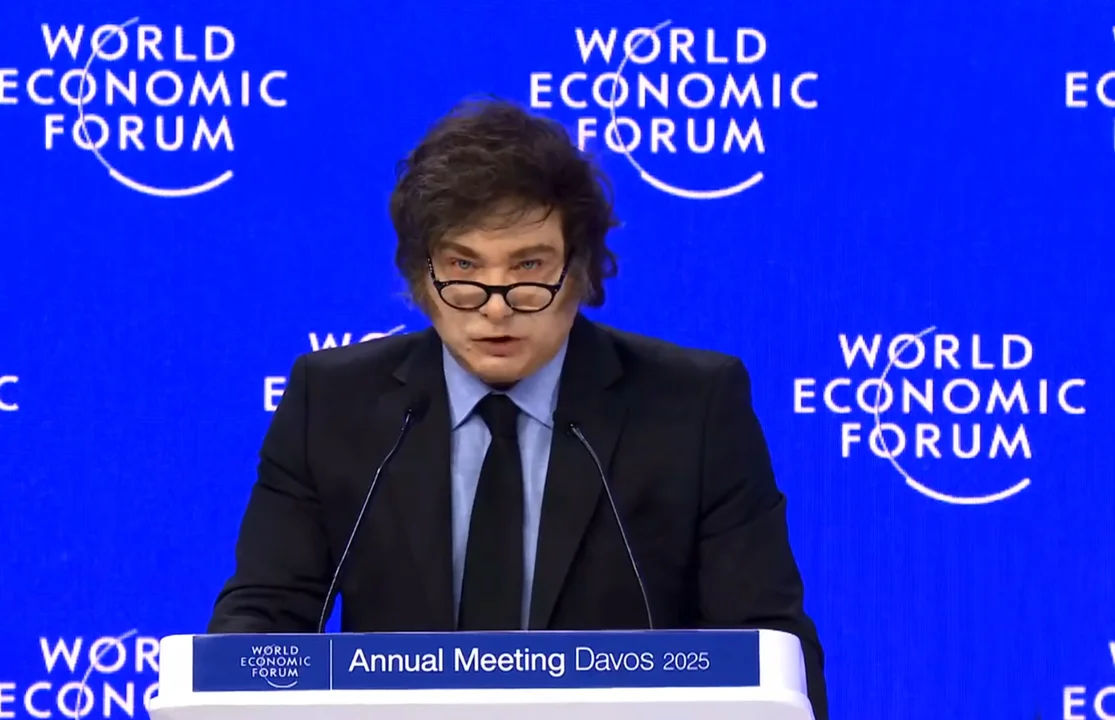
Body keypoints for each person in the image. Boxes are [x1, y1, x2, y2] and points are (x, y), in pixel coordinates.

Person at [207, 97, 827, 718]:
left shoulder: (691, 407)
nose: (496, 305)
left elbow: (768, 647)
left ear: (580, 271)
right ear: (422, 277)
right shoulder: (333, 403)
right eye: (463, 267)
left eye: (529, 267)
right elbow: (264, 619)